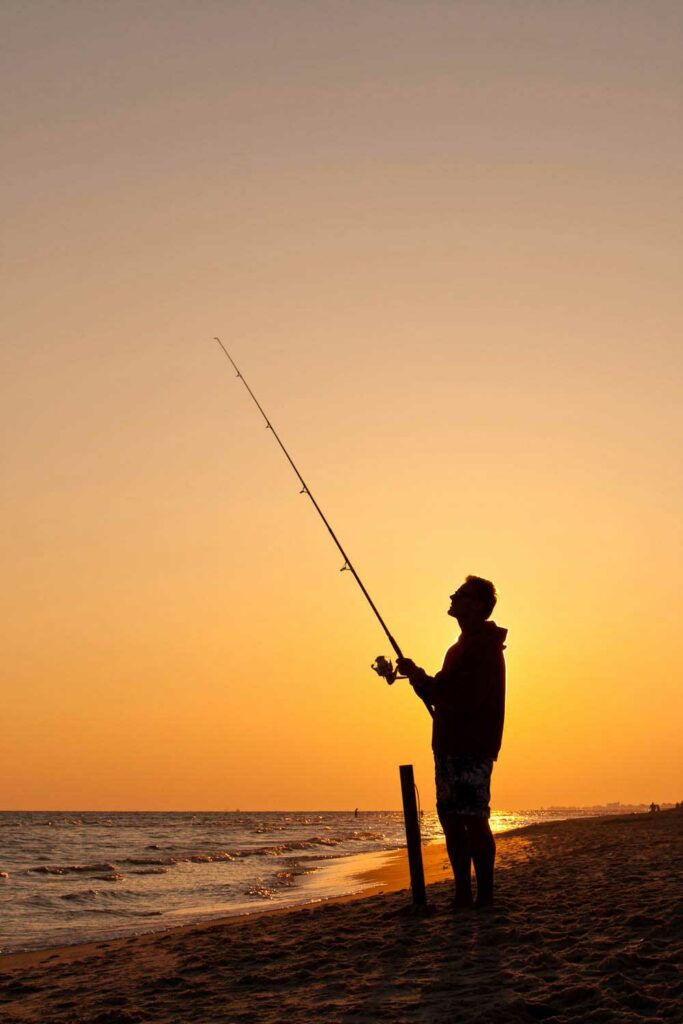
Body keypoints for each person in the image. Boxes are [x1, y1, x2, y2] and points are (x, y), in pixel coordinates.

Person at [397, 576, 507, 909]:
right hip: (448, 745)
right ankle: (462, 894)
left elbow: (463, 696)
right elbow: (442, 693)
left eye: (460, 594)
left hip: (472, 747)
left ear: (476, 605)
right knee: (451, 819)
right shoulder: (457, 648)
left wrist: (424, 681)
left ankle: (484, 896)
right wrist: (418, 677)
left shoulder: (483, 648)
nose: (452, 598)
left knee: (474, 818)